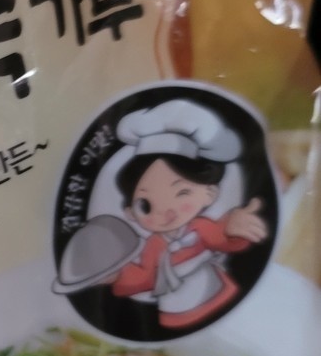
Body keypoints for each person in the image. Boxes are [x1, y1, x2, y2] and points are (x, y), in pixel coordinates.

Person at [108, 99, 268, 330]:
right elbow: (145, 275)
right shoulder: (154, 245)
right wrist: (117, 276)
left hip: (217, 295)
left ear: (209, 194)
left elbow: (221, 238)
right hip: (176, 312)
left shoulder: (199, 227)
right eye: (146, 205)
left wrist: (233, 227)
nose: (167, 211)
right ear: (131, 213)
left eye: (182, 193)